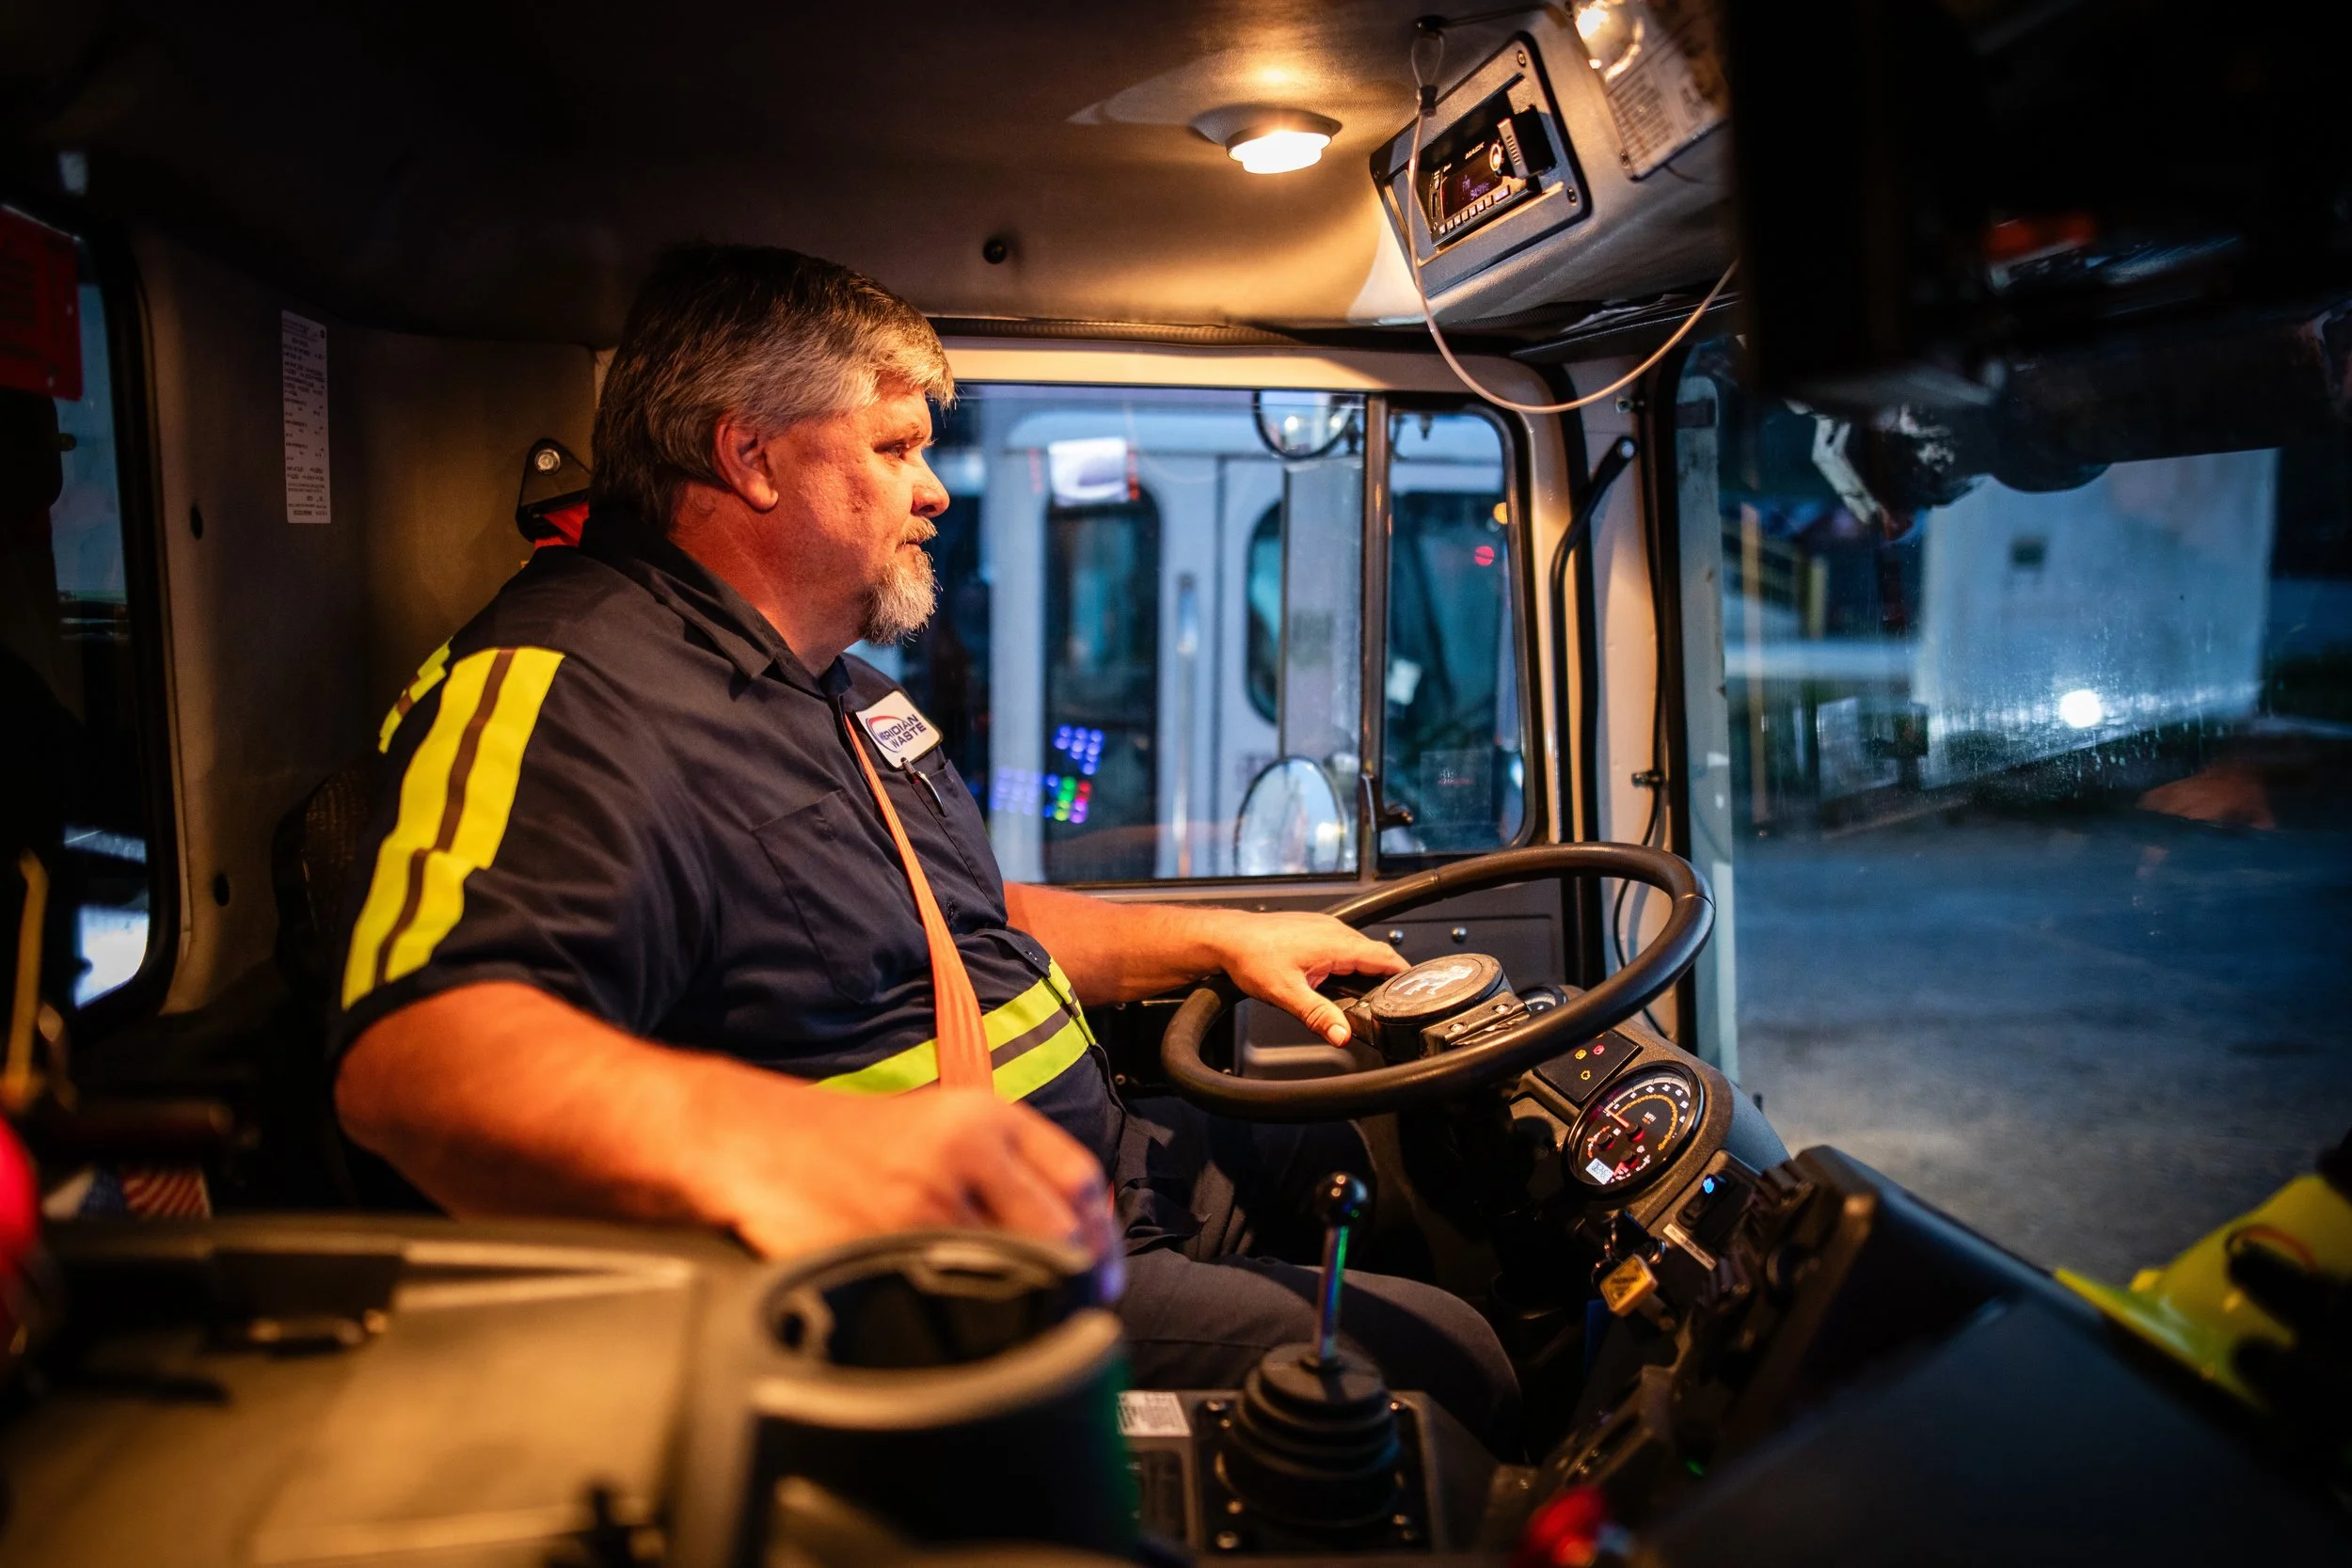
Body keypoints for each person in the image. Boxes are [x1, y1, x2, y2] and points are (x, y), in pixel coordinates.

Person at [331, 245, 1518, 1444]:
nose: (935, 488)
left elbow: (957, 917)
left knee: (1350, 1144)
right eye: (895, 448)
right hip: (951, 1282)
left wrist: (1213, 935)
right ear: (750, 457)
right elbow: (421, 1059)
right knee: (1446, 1360)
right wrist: (822, 1156)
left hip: (1092, 1169)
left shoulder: (825, 680)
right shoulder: (569, 684)